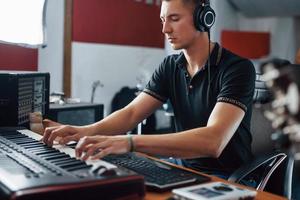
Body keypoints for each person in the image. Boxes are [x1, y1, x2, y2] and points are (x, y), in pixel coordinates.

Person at [43, 0, 255, 178]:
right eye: (163, 20)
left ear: (204, 18)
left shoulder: (237, 68)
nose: (165, 29)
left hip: (228, 178)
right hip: (181, 168)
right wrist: (84, 131)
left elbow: (213, 141)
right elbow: (132, 113)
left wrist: (129, 142)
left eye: (174, 19)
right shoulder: (170, 66)